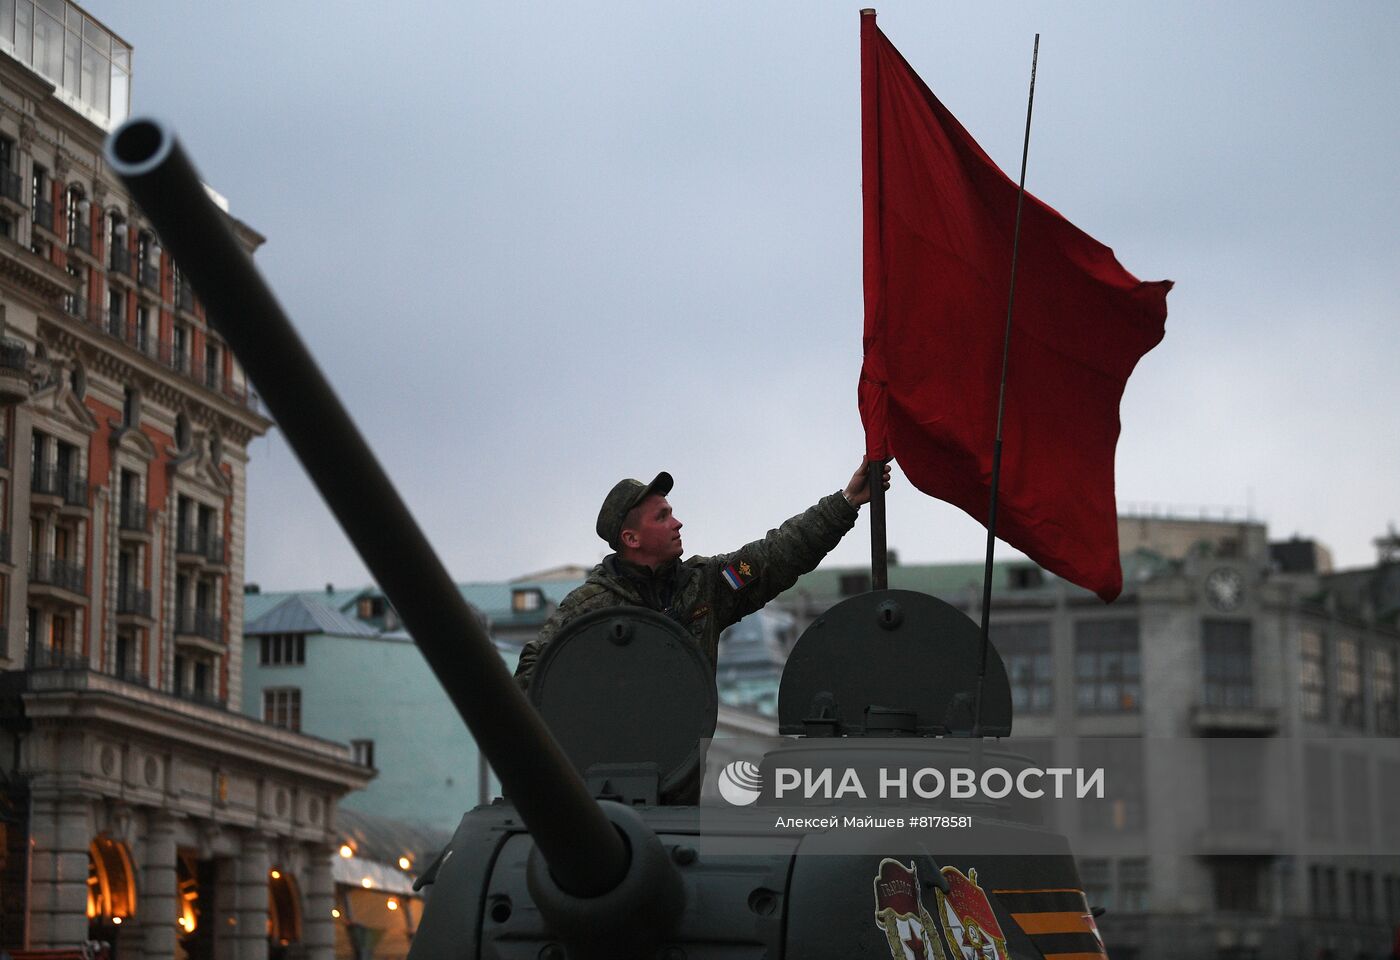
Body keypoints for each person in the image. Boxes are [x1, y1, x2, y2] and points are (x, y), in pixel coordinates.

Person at [514, 457, 892, 689]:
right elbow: (533, 676)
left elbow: (774, 556)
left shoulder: (708, 586)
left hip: (682, 780)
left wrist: (845, 503)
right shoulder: (589, 607)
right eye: (662, 517)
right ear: (630, 538)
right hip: (600, 784)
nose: (678, 522)